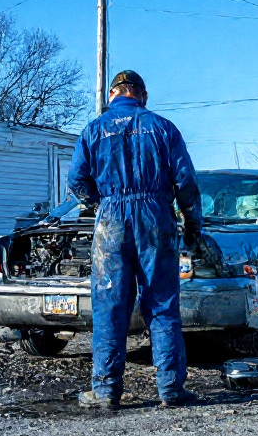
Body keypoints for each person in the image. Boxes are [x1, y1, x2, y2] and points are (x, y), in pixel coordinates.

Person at [67, 70, 202, 409]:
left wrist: (103, 202)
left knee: (109, 305)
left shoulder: (94, 130)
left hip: (112, 218)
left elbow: (76, 181)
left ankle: (105, 391)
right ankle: (170, 389)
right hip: (155, 216)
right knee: (161, 303)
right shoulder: (163, 127)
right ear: (141, 95)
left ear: (112, 94)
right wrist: (193, 224)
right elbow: (185, 181)